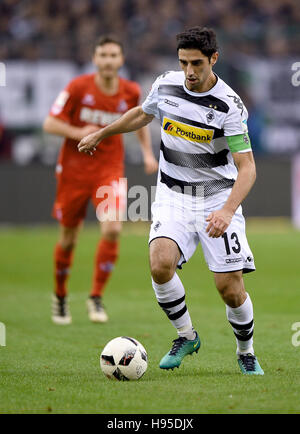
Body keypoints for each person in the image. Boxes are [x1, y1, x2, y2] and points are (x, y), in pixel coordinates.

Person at [78, 27, 264, 375]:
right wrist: (101, 134)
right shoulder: (165, 85)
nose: (189, 71)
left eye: (196, 63)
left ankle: (246, 352)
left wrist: (226, 210)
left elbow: (248, 168)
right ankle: (186, 336)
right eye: (183, 63)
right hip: (172, 195)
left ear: (213, 59)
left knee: (230, 289)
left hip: (217, 198)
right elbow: (142, 114)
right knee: (159, 263)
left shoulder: (229, 106)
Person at [43, 35, 158, 325]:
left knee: (113, 229)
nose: (108, 61)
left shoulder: (131, 91)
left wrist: (146, 153)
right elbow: (50, 123)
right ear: (95, 59)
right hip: (73, 172)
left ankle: (95, 297)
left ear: (121, 60)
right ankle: (59, 296)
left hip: (109, 170)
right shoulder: (77, 87)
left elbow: (139, 121)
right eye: (103, 55)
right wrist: (80, 132)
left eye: (113, 55)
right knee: (69, 239)